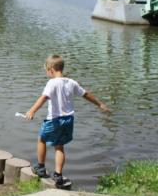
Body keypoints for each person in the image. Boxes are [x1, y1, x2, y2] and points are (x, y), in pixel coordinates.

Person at [25, 55, 110, 188]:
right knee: (59, 146)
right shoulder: (71, 82)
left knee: (41, 138)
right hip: (68, 119)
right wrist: (100, 104)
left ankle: (41, 168)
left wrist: (32, 111)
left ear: (51, 69)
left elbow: (43, 98)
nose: (47, 73)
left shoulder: (52, 83)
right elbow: (86, 94)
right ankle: (58, 175)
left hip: (54, 119)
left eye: (47, 71)